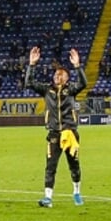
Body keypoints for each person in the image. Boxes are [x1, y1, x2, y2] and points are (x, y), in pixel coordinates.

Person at [24, 47, 86, 208]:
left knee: (74, 166)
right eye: (56, 74)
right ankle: (48, 198)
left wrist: (78, 66)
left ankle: (77, 192)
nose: (58, 76)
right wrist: (31, 64)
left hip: (70, 133)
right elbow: (29, 83)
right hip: (53, 134)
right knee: (50, 167)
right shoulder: (47, 90)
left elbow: (84, 83)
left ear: (67, 79)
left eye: (62, 75)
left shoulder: (71, 90)